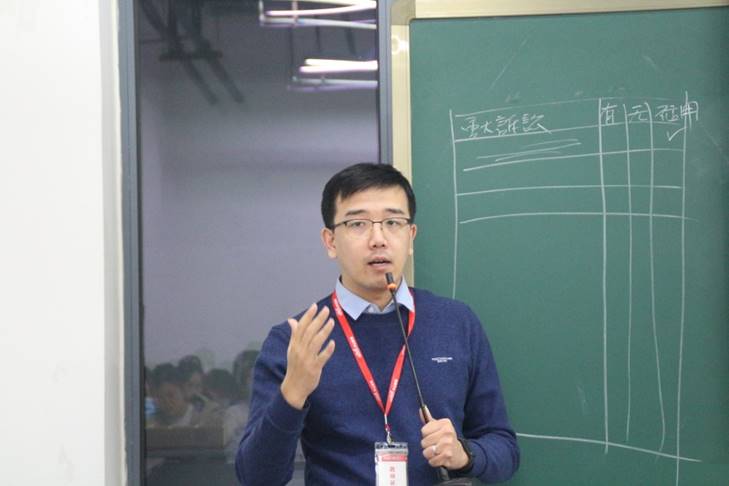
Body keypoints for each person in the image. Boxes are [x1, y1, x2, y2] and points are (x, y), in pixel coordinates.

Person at [236, 163, 519, 484]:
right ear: (330, 241)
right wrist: (292, 394)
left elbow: (504, 449)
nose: (378, 239)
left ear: (410, 237)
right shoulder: (297, 339)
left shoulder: (456, 323)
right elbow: (255, 477)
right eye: (358, 223)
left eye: (393, 222)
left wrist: (464, 453)